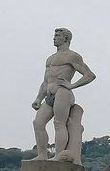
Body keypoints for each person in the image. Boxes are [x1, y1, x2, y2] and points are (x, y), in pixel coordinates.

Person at [32, 28, 95, 163]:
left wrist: (71, 86)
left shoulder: (72, 56)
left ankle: (59, 155)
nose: (54, 38)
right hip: (49, 94)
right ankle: (42, 154)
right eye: (54, 35)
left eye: (57, 35)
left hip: (63, 92)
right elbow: (45, 82)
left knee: (59, 123)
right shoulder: (50, 59)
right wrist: (38, 98)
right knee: (38, 123)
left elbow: (89, 75)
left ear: (66, 38)